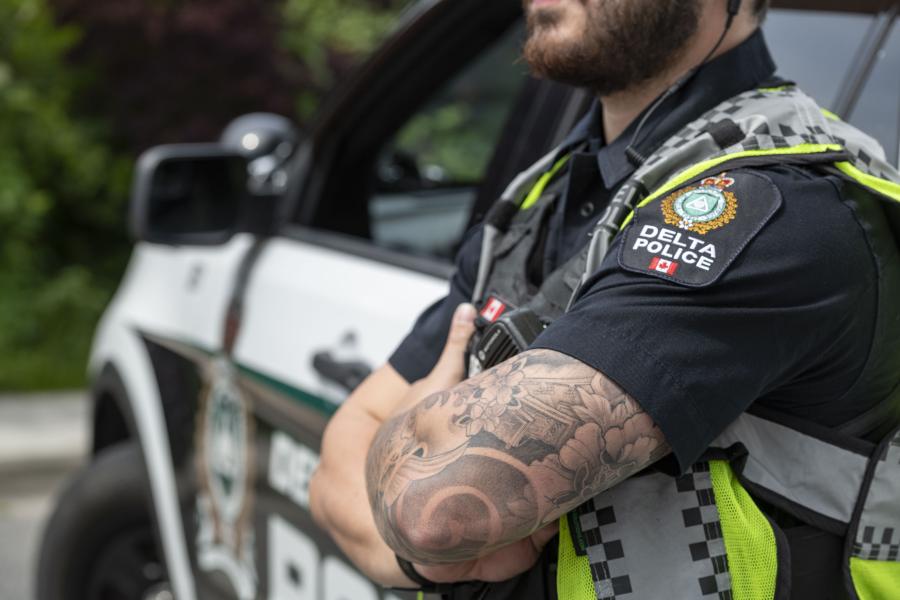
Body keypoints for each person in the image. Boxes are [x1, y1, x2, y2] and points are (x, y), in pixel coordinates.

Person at [310, 0, 900, 598]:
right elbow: (340, 453)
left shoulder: (777, 206)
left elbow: (432, 509)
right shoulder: (539, 194)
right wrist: (418, 559)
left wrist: (412, 426)